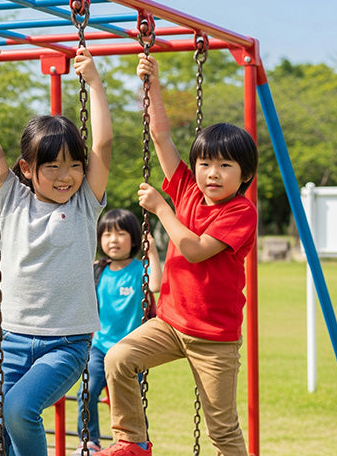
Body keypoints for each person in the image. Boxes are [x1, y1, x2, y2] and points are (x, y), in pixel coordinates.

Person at [98, 54, 258, 456]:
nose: (212, 173)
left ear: (245, 175)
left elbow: (195, 249)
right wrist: (150, 84)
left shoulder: (240, 211)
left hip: (214, 340)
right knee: (118, 358)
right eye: (205, 163)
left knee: (222, 431)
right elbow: (161, 137)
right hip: (170, 324)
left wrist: (162, 208)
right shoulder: (186, 186)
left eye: (225, 165)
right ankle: (131, 441)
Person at [0, 41, 111, 456]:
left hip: (66, 343)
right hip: (11, 339)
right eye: (53, 167)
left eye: (74, 165)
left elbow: (102, 146)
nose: (66, 176)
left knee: (19, 409)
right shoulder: (12, 197)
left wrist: (94, 84)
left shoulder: (85, 202)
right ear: (28, 169)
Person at [73, 209, 163, 454]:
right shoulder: (98, 270)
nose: (113, 240)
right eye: (107, 234)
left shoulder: (139, 270)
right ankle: (89, 440)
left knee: (129, 402)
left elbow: (155, 285)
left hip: (131, 351)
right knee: (87, 390)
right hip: (101, 347)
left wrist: (152, 251)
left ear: (134, 239)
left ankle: (138, 443)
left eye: (121, 234)